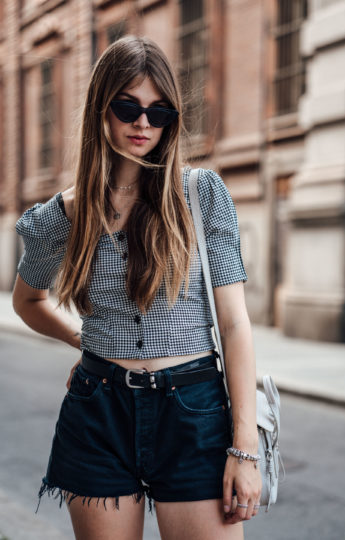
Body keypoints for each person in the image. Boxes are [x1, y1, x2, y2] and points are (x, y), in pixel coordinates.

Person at [12, 35, 261, 540]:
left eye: (159, 111)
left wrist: (244, 449)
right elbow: (28, 301)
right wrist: (84, 344)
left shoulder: (201, 195)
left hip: (194, 413)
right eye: (128, 108)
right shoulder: (66, 212)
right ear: (101, 109)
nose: (143, 123)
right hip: (97, 410)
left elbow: (234, 325)